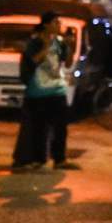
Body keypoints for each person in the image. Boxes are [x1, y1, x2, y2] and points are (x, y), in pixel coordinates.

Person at [12, 12, 79, 171]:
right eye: (56, 23)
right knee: (39, 127)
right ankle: (38, 159)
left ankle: (59, 159)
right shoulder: (35, 42)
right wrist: (47, 46)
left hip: (57, 89)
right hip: (39, 90)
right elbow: (33, 60)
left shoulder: (60, 43)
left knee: (60, 127)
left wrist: (69, 46)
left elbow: (67, 64)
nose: (58, 26)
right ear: (46, 25)